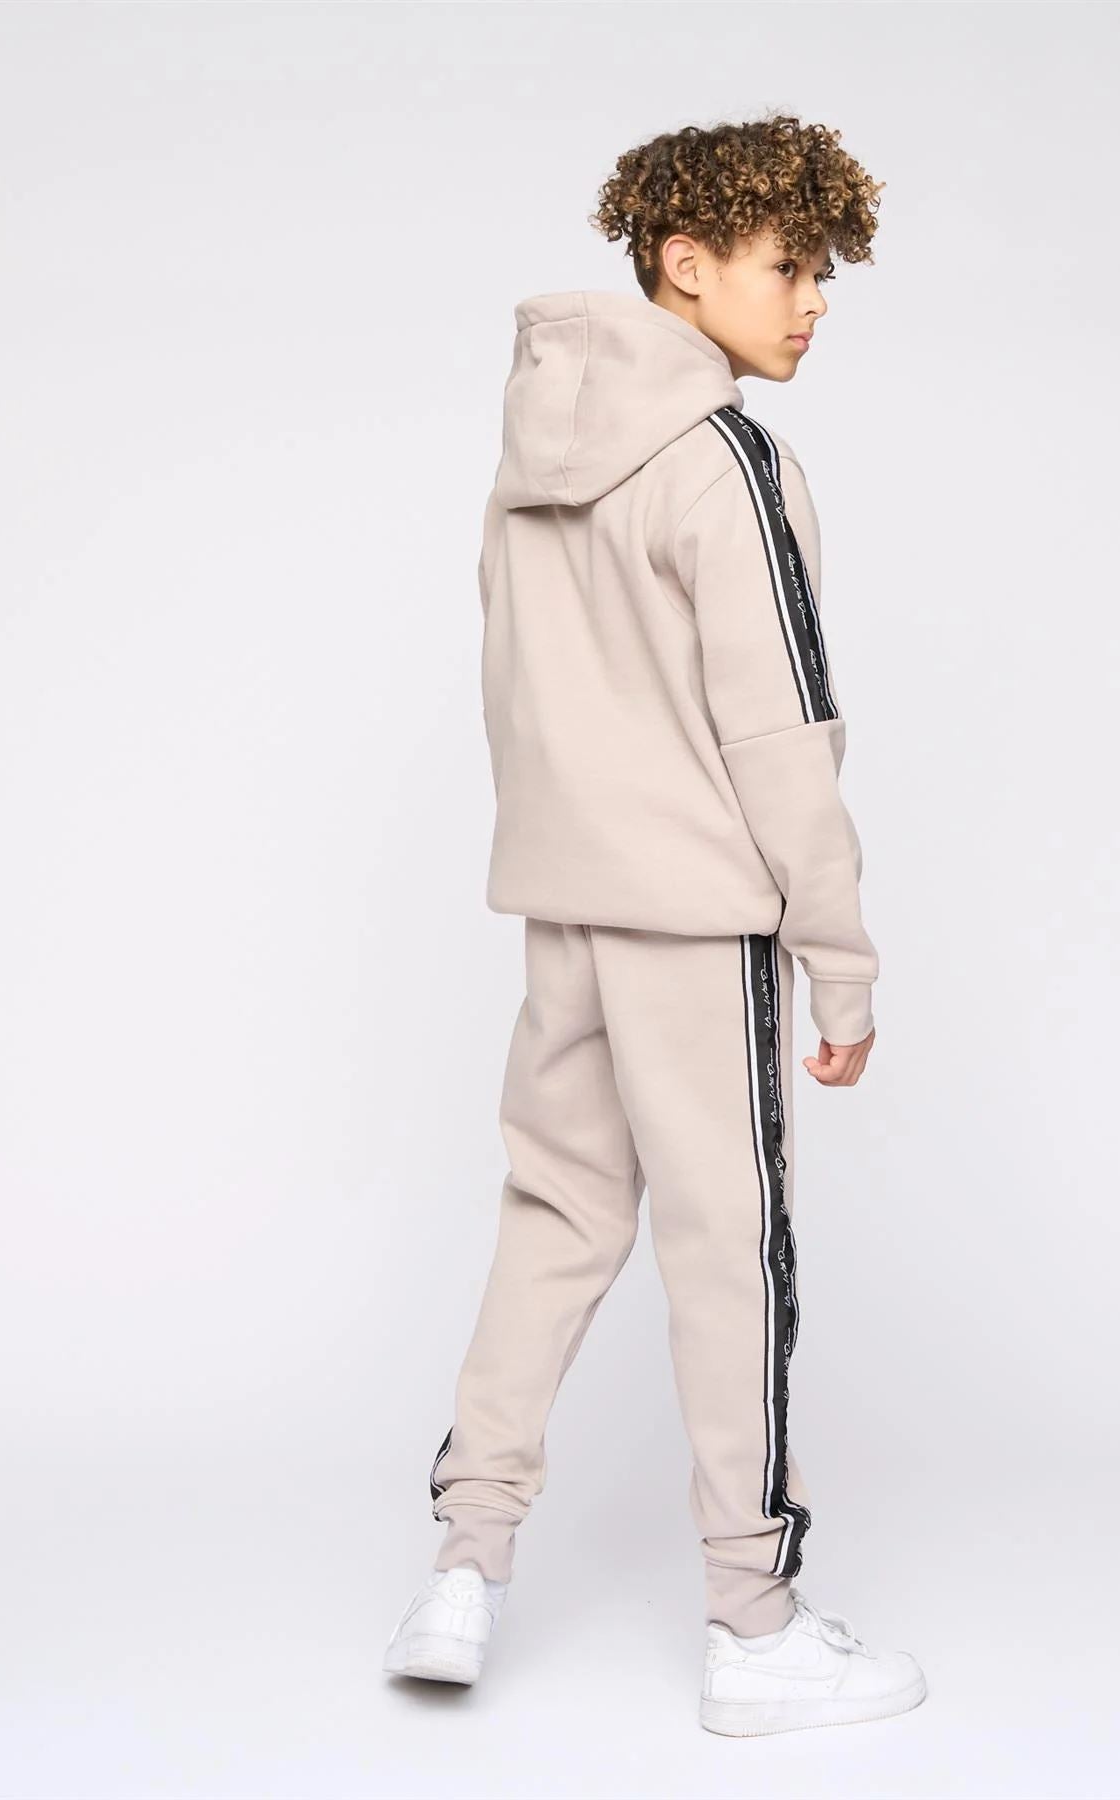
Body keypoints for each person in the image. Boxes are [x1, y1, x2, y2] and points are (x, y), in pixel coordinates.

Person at [383, 113, 927, 1737]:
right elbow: (781, 736)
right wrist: (840, 957)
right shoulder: (722, 462)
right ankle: (752, 1625)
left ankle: (463, 1566)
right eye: (788, 267)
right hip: (692, 920)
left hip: (563, 904)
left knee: (552, 1218)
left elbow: (518, 685)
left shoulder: (528, 452)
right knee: (728, 1248)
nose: (812, 303)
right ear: (684, 265)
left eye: (825, 275)